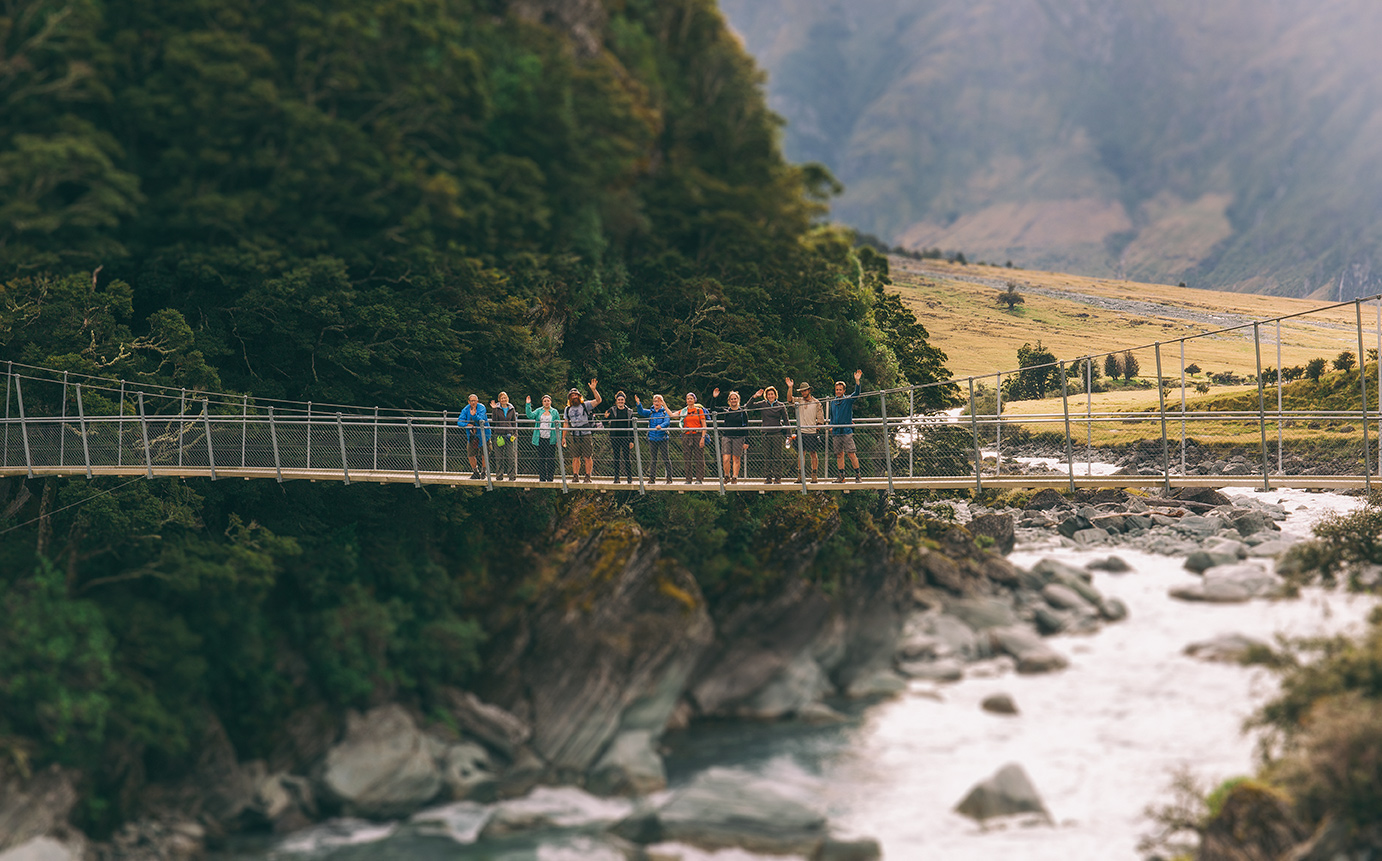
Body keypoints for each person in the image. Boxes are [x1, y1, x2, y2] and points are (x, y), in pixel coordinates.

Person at [785, 377, 826, 481]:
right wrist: (790, 387)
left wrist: (817, 428)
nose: (803, 392)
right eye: (802, 391)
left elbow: (820, 418)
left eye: (805, 390)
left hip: (812, 432)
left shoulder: (816, 402)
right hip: (801, 431)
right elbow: (789, 399)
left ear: (809, 390)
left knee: (813, 453)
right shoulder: (799, 401)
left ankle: (814, 475)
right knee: (801, 454)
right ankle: (800, 476)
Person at [747, 385, 790, 483]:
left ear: (775, 395)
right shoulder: (763, 404)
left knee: (778, 456)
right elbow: (748, 406)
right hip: (766, 434)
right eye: (768, 394)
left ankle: (778, 477)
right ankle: (768, 477)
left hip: (777, 433)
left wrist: (789, 435)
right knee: (767, 456)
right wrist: (755, 396)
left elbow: (786, 420)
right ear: (766, 395)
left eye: (772, 394)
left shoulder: (780, 405)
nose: (770, 396)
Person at [829, 369, 865, 483]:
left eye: (840, 390)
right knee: (839, 455)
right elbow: (832, 416)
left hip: (846, 431)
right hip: (836, 432)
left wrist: (857, 382)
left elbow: (856, 394)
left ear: (844, 390)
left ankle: (858, 474)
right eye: (837, 390)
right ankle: (841, 476)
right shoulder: (833, 402)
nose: (838, 391)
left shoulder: (847, 400)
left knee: (851, 453)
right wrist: (830, 426)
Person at [562, 379, 601, 483]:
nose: (574, 397)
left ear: (579, 396)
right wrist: (563, 437)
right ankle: (575, 476)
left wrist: (594, 390)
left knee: (587, 456)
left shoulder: (585, 405)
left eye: (576, 395)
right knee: (575, 457)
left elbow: (598, 400)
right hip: (574, 434)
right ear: (569, 398)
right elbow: (566, 423)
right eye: (572, 396)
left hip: (585, 433)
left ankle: (588, 476)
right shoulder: (567, 409)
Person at [710, 387, 749, 483]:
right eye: (731, 399)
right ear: (729, 401)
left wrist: (746, 441)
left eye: (735, 398)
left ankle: (735, 476)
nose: (733, 400)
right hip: (727, 436)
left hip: (739, 437)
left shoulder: (742, 412)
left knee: (736, 458)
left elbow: (746, 426)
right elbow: (713, 409)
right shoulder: (726, 411)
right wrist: (714, 397)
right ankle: (727, 475)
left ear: (738, 400)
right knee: (726, 458)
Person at [635, 394, 673, 484]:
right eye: (655, 401)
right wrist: (638, 403)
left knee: (666, 458)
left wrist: (661, 426)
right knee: (653, 459)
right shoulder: (651, 412)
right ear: (653, 402)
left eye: (659, 401)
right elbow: (641, 412)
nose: (657, 403)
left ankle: (669, 478)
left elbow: (667, 421)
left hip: (662, 437)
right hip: (652, 438)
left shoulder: (665, 412)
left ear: (662, 403)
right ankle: (652, 478)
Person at [671, 392, 708, 484]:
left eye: (691, 398)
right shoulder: (683, 411)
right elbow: (672, 415)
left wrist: (703, 437)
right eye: (688, 398)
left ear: (694, 400)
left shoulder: (699, 411)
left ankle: (699, 479)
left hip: (697, 434)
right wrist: (663, 404)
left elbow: (704, 425)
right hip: (686, 435)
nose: (689, 400)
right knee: (687, 457)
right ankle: (688, 479)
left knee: (699, 457)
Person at [525, 394, 560, 482]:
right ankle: (542, 477)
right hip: (540, 437)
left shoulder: (555, 412)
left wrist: (558, 439)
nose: (546, 402)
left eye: (548, 401)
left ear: (550, 402)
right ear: (542, 402)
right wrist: (528, 405)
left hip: (551, 438)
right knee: (541, 458)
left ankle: (550, 477)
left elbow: (558, 426)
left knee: (551, 459)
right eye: (545, 401)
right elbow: (530, 416)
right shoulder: (539, 411)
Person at [604, 391, 637, 484]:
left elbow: (631, 427)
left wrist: (631, 440)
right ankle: (616, 477)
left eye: (622, 399)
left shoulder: (629, 411)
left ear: (624, 400)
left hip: (626, 437)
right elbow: (604, 423)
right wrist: (606, 418)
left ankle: (629, 478)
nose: (620, 401)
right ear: (616, 400)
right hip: (615, 437)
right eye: (619, 400)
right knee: (616, 457)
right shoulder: (612, 410)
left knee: (627, 458)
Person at [456, 393, 490, 480]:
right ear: (468, 402)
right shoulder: (465, 409)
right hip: (472, 436)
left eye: (474, 401)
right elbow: (459, 422)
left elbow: (481, 420)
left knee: (484, 454)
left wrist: (474, 415)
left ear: (477, 401)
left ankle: (484, 471)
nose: (473, 402)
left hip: (484, 434)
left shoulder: (482, 408)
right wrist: (467, 424)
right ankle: (475, 471)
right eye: (471, 401)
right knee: (470, 454)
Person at [488, 392, 520, 481]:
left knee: (510, 456)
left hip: (509, 434)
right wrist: (494, 410)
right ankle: (499, 475)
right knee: (499, 456)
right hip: (499, 434)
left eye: (505, 398)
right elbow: (494, 421)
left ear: (507, 398)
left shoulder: (511, 408)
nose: (503, 400)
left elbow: (514, 421)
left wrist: (515, 433)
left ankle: (512, 476)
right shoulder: (497, 408)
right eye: (502, 398)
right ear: (499, 399)